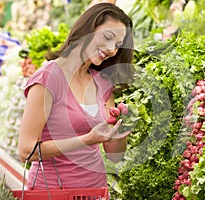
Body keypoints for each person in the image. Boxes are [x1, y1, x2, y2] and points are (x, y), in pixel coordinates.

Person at [18, 3, 134, 190]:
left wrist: (120, 130)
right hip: (53, 192)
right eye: (108, 37)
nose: (112, 49)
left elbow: (114, 155)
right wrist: (87, 139)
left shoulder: (102, 82)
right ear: (88, 28)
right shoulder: (49, 77)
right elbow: (26, 151)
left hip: (95, 189)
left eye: (118, 45)